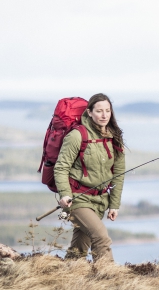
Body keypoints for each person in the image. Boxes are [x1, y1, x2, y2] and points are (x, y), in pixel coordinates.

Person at [53, 93, 126, 262]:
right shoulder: (77, 136)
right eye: (99, 111)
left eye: (107, 110)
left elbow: (118, 174)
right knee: (101, 237)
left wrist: (114, 204)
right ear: (89, 112)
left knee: (79, 246)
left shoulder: (114, 137)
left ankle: (69, 273)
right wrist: (65, 194)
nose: (104, 115)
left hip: (100, 201)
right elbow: (61, 167)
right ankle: (110, 279)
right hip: (77, 199)